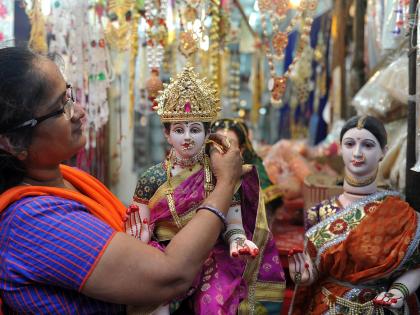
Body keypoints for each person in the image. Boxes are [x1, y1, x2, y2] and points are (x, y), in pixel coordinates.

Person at [0, 46, 245, 314]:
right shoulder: (34, 221)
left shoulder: (70, 180)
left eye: (69, 95)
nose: (79, 111)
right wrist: (225, 185)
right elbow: (170, 275)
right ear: (14, 141)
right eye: (61, 108)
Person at [125, 65, 285, 314]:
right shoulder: (151, 178)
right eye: (179, 130)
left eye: (195, 129)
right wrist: (140, 241)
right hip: (165, 255)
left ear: (208, 133)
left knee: (213, 304)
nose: (187, 137)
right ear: (167, 134)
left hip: (210, 256)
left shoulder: (219, 174)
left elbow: (233, 224)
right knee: (152, 306)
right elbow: (141, 230)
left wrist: (237, 240)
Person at [288, 115, 420, 314]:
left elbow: (415, 267)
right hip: (328, 307)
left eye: (368, 145)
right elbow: (313, 271)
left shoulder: (400, 213)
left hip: (382, 307)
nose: (357, 153)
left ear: (383, 152)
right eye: (349, 144)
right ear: (340, 148)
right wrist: (305, 276)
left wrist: (398, 292)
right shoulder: (318, 213)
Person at [210, 118, 284, 219]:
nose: (222, 151)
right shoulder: (200, 171)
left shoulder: (252, 172)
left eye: (230, 145)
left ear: (242, 149)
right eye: (217, 145)